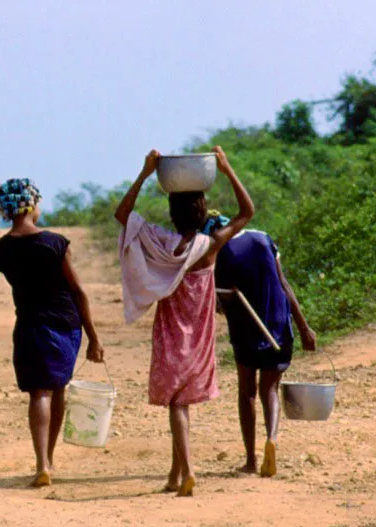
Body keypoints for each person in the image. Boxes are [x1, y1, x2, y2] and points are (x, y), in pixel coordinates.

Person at [114, 146, 254, 497]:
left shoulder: (164, 244)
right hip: (201, 333)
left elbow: (123, 214)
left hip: (171, 332)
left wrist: (146, 173)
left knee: (177, 404)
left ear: (172, 215)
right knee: (183, 401)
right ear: (203, 212)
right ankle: (175, 475)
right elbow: (247, 212)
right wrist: (227, 168)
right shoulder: (211, 244)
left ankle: (188, 471)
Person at [0, 178, 105, 488]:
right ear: (31, 205)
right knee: (57, 388)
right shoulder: (56, 243)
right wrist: (94, 336)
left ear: (6, 210)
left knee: (39, 392)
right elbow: (79, 292)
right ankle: (48, 458)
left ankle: (42, 463)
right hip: (66, 326)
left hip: (30, 327)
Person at [201, 214, 317, 477]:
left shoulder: (219, 253)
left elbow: (222, 302)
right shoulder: (263, 238)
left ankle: (251, 461)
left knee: (247, 393)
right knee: (270, 390)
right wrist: (304, 327)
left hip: (246, 329)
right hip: (278, 323)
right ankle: (272, 438)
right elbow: (284, 284)